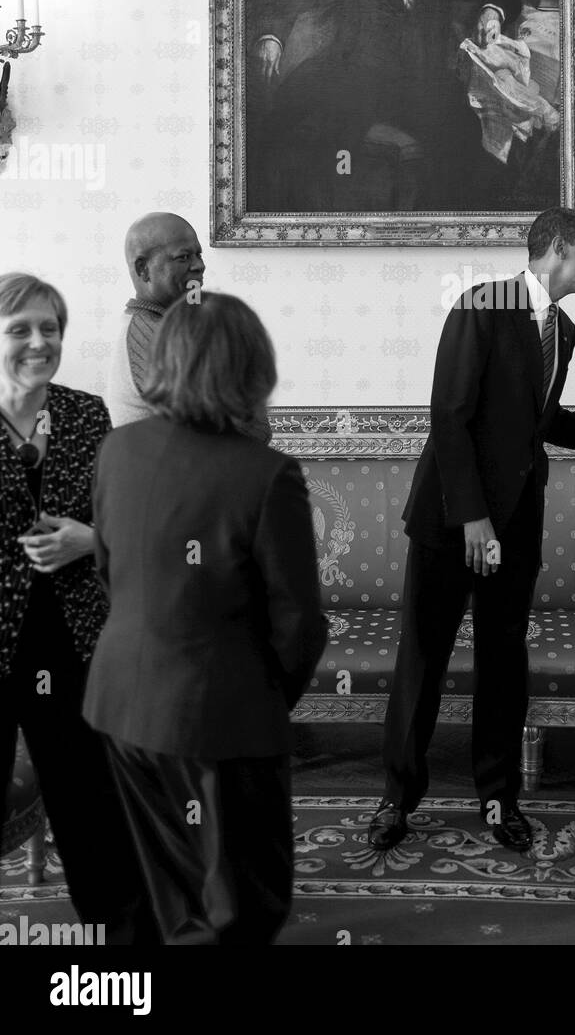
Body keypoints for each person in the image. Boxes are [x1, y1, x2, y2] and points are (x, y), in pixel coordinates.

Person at [83, 293, 327, 946]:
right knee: (232, 907)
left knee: (148, 896)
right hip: (220, 719)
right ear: (250, 366)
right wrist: (268, 696)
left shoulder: (118, 450)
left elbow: (111, 575)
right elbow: (299, 622)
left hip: (120, 704)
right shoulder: (266, 473)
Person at [368, 206, 575, 854]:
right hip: (450, 519)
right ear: (558, 248)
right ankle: (397, 798)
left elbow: (538, 418)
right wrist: (472, 518)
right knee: (423, 656)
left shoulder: (566, 331)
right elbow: (450, 415)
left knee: (505, 661)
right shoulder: (481, 304)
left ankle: (499, 799)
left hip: (517, 522)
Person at [0, 272, 155, 943]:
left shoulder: (88, 414)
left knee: (91, 805)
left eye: (50, 329)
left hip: (73, 643)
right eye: (20, 331)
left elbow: (134, 524)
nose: (39, 343)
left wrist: (92, 540)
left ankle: (123, 948)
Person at [250, 0, 523, 210]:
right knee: (296, 137)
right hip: (355, 81)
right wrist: (271, 37)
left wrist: (491, 10)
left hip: (423, 85)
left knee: (464, 145)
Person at [106, 212, 271, 441]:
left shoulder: (172, 329)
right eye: (183, 258)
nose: (199, 266)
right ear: (143, 269)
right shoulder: (151, 335)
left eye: (199, 255)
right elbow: (249, 432)